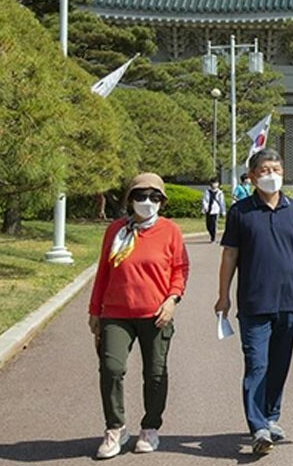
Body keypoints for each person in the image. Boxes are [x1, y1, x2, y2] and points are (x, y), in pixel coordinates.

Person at [215, 149, 293, 455]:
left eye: (276, 169)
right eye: (265, 170)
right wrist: (223, 295)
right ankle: (258, 427)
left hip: (290, 301)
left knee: (279, 365)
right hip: (254, 303)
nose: (271, 175)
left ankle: (271, 416)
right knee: (257, 365)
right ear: (253, 176)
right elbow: (229, 254)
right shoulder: (241, 212)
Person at [88, 173, 189, 459]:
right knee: (111, 368)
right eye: (141, 196)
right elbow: (103, 272)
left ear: (162, 201)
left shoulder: (170, 231)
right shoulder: (116, 231)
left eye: (154, 197)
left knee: (155, 373)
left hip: (155, 314)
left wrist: (172, 300)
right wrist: (95, 310)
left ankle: (150, 428)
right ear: (130, 199)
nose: (147, 202)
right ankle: (115, 429)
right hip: (116, 313)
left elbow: (180, 269)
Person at [202, 178, 226, 243]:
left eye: (216, 183)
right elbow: (205, 200)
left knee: (214, 224)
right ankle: (211, 234)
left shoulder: (220, 192)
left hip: (215, 210)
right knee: (208, 225)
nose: (215, 184)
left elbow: (222, 202)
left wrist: (223, 211)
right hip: (208, 210)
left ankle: (213, 238)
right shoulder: (207, 191)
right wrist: (205, 207)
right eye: (213, 183)